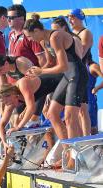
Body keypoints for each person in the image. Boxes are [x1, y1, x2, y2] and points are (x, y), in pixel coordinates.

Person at [23, 17, 88, 168]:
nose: (30, 40)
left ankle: (75, 158)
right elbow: (52, 63)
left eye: (30, 36)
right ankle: (68, 154)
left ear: (37, 30)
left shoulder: (55, 36)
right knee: (51, 113)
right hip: (67, 76)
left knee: (70, 117)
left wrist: (41, 71)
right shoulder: (43, 41)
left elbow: (63, 65)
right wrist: (37, 72)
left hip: (76, 74)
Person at [51, 16, 92, 136]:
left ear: (64, 28)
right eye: (52, 30)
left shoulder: (74, 39)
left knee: (82, 110)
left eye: (56, 30)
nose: (54, 33)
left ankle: (86, 138)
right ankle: (78, 138)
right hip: (67, 76)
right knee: (71, 113)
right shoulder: (58, 41)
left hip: (78, 76)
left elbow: (79, 58)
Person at [68, 8, 100, 135]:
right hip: (73, 72)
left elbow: (80, 55)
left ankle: (89, 139)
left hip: (84, 71)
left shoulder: (85, 33)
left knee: (85, 109)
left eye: (72, 17)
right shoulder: (71, 33)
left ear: (80, 18)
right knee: (75, 111)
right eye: (68, 17)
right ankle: (81, 139)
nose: (70, 19)